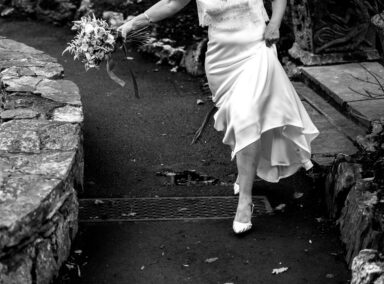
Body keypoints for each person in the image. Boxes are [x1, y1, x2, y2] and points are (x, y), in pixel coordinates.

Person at [116, 0, 319, 234]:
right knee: (239, 120)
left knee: (245, 116)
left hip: (257, 49)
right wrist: (133, 23)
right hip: (222, 62)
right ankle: (247, 173)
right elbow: (171, 4)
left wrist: (274, 23)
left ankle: (245, 200)